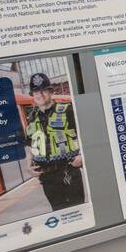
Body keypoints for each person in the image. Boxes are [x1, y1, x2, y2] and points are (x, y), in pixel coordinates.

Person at [24, 73, 84, 211]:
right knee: (59, 213)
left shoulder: (68, 110)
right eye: (36, 92)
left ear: (51, 91)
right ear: (32, 95)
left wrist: (83, 156)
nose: (40, 95)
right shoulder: (32, 117)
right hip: (47, 178)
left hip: (68, 172)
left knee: (78, 213)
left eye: (44, 90)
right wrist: (28, 166)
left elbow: (88, 135)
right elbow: (31, 143)